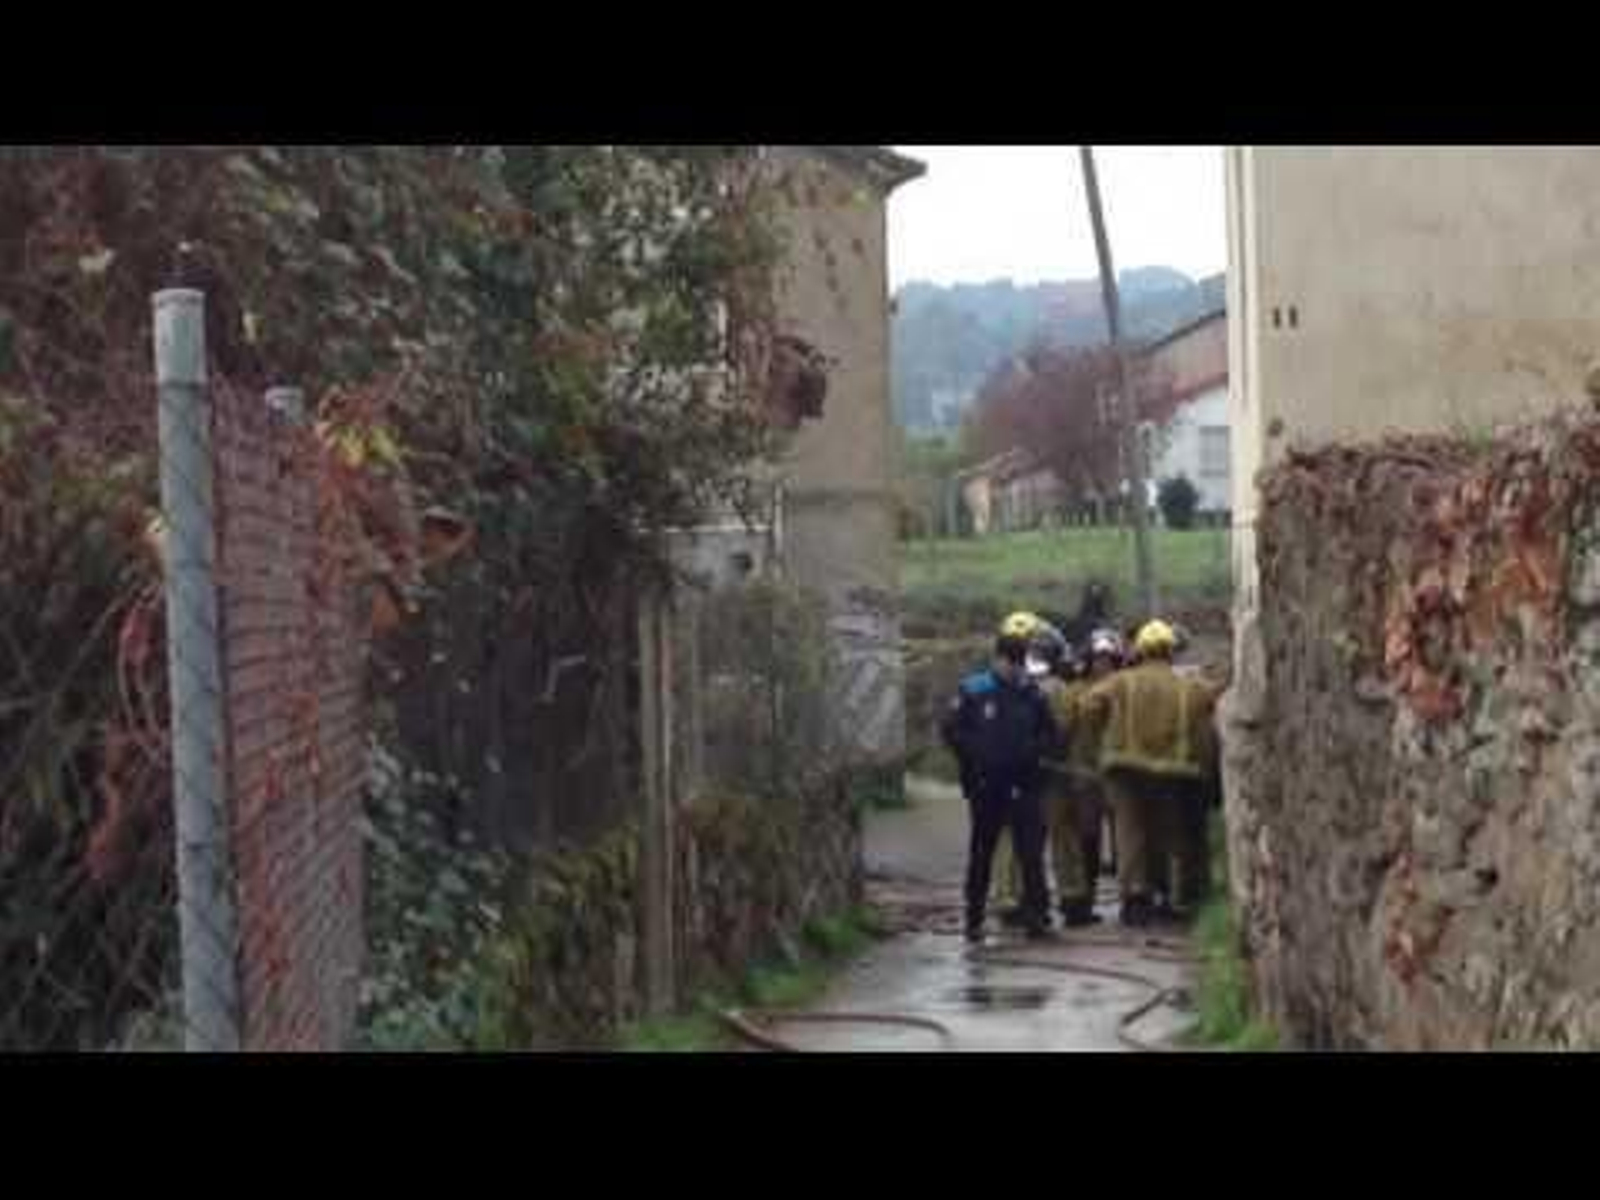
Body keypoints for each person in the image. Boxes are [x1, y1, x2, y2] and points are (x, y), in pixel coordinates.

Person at [1080, 620, 1219, 927]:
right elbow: (1214, 697)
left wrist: (1104, 736)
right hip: (1170, 770)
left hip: (1124, 769)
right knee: (1167, 834)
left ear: (1139, 650)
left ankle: (1134, 897)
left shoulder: (1121, 681)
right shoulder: (1188, 684)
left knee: (1130, 831)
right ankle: (1168, 896)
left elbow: (1088, 705)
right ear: (1171, 651)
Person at [941, 617, 1059, 943]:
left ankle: (1038, 917)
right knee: (982, 852)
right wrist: (976, 755)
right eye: (1011, 663)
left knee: (1031, 854)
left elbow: (1050, 733)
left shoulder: (1031, 693)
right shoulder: (975, 690)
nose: (1016, 670)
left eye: (1021, 664)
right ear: (998, 659)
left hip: (1025, 784)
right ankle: (974, 917)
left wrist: (1034, 753)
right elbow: (951, 730)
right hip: (985, 786)